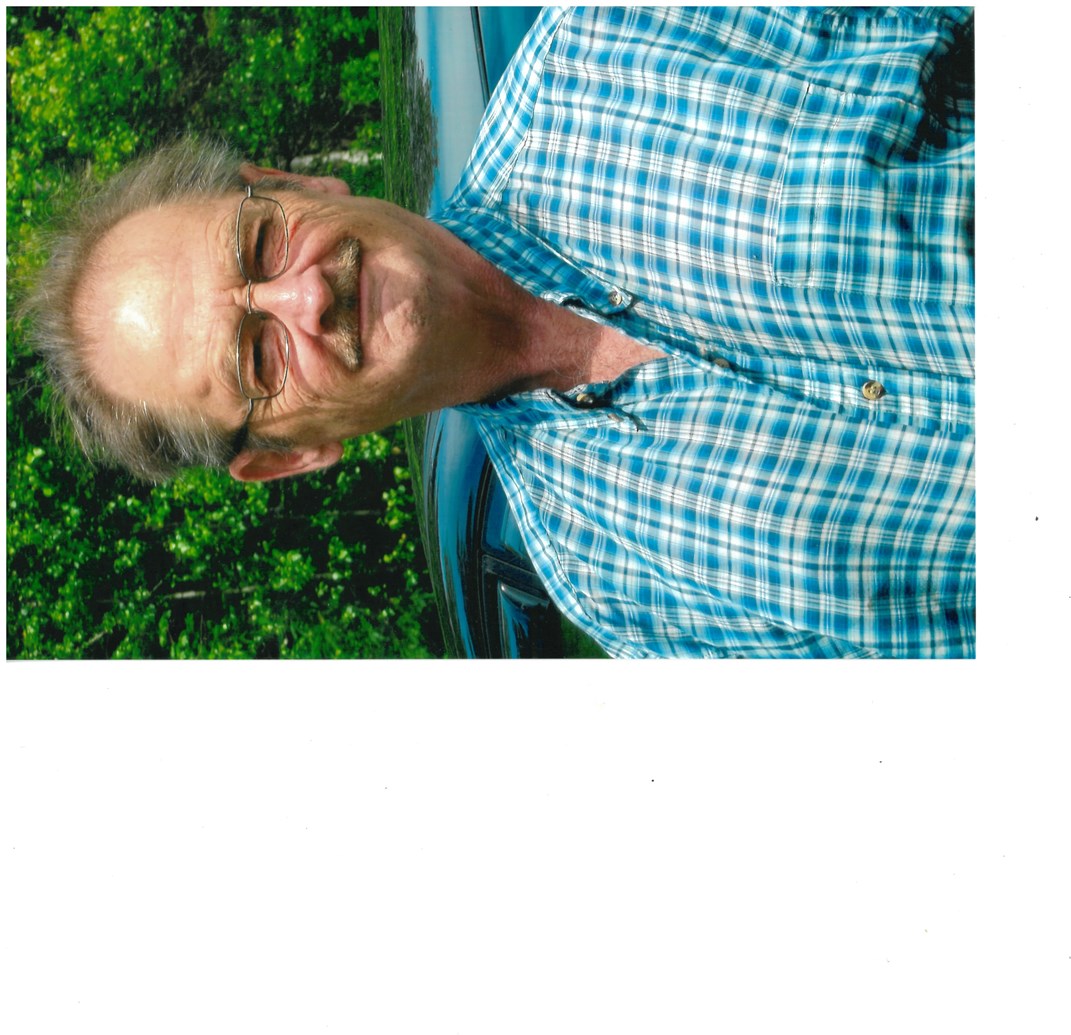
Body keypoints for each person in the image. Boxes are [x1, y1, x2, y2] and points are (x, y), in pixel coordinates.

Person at [20, 6, 974, 658]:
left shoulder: (615, 41)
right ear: (288, 456)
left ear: (297, 183)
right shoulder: (612, 584)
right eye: (256, 357)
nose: (302, 298)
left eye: (261, 244)